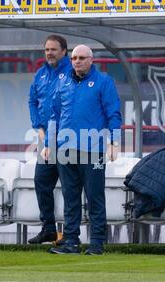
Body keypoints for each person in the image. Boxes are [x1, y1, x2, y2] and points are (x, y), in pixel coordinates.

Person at [44, 45, 122, 255]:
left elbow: (113, 114)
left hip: (93, 149)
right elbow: (54, 115)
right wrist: (49, 144)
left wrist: (114, 142)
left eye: (81, 58)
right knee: (70, 198)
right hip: (65, 149)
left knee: (94, 196)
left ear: (91, 60)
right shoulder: (63, 82)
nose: (77, 61)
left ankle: (96, 243)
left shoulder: (104, 82)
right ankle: (71, 242)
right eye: (74, 58)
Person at [27, 35, 72, 244]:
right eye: (46, 49)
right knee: (42, 182)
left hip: (66, 140)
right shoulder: (41, 74)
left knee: (69, 186)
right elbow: (32, 100)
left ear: (64, 51)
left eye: (53, 49)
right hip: (46, 140)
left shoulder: (71, 72)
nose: (49, 53)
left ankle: (71, 232)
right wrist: (39, 126)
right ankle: (49, 229)